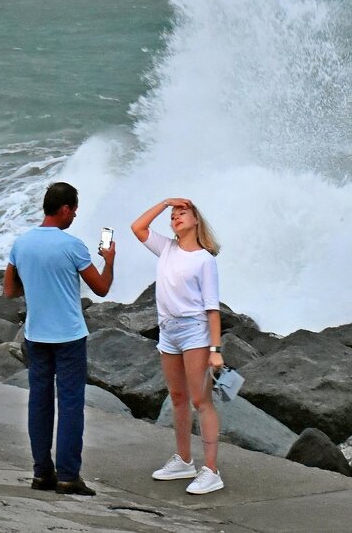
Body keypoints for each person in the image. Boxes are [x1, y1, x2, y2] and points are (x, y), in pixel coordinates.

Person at [3, 182, 115, 497]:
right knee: (70, 405)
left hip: (36, 335)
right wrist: (110, 258)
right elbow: (102, 288)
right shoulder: (73, 246)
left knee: (39, 402)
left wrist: (38, 285)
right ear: (64, 208)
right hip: (68, 337)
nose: (75, 215)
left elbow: (10, 290)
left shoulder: (21, 244)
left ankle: (41, 473)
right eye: (74, 210)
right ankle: (68, 475)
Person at [131, 197, 225, 495]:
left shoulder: (204, 259)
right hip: (168, 330)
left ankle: (212, 470)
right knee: (178, 396)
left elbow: (212, 308)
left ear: (196, 220)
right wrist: (163, 203)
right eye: (173, 215)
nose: (175, 217)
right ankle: (184, 460)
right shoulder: (166, 248)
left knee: (201, 401)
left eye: (182, 212)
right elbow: (137, 227)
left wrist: (215, 350)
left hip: (194, 331)